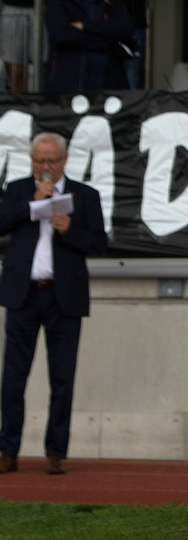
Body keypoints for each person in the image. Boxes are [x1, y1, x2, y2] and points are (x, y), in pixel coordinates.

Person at [0, 132, 107, 476]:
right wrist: (35, 202)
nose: (45, 167)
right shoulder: (18, 191)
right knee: (14, 378)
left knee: (62, 378)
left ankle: (55, 451)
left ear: (64, 161)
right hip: (24, 296)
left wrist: (69, 230)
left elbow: (99, 243)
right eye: (38, 161)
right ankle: (8, 449)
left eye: (51, 161)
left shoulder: (85, 196)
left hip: (63, 299)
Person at [45, 0, 135, 92]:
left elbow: (126, 28)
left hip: (110, 82)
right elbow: (60, 33)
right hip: (69, 82)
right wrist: (106, 40)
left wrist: (85, 25)